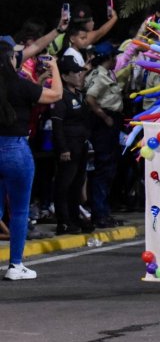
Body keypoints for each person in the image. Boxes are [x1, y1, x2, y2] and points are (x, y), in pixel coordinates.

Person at [0, 41, 62, 280]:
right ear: (9, 60)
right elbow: (55, 94)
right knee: (18, 211)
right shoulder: (21, 86)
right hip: (16, 149)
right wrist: (54, 68)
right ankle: (15, 265)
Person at [51, 56, 95, 235]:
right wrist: (63, 149)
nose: (79, 75)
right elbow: (57, 124)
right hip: (69, 147)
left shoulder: (78, 94)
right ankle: (63, 221)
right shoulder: (61, 96)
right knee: (64, 184)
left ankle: (74, 218)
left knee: (77, 184)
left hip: (81, 145)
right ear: (64, 76)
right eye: (75, 72)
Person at [85, 42, 125, 228]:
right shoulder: (99, 75)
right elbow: (90, 98)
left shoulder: (107, 74)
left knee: (109, 169)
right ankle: (99, 214)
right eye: (114, 56)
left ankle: (104, 211)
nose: (116, 59)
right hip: (104, 123)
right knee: (104, 168)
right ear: (108, 58)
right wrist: (103, 116)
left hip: (112, 121)